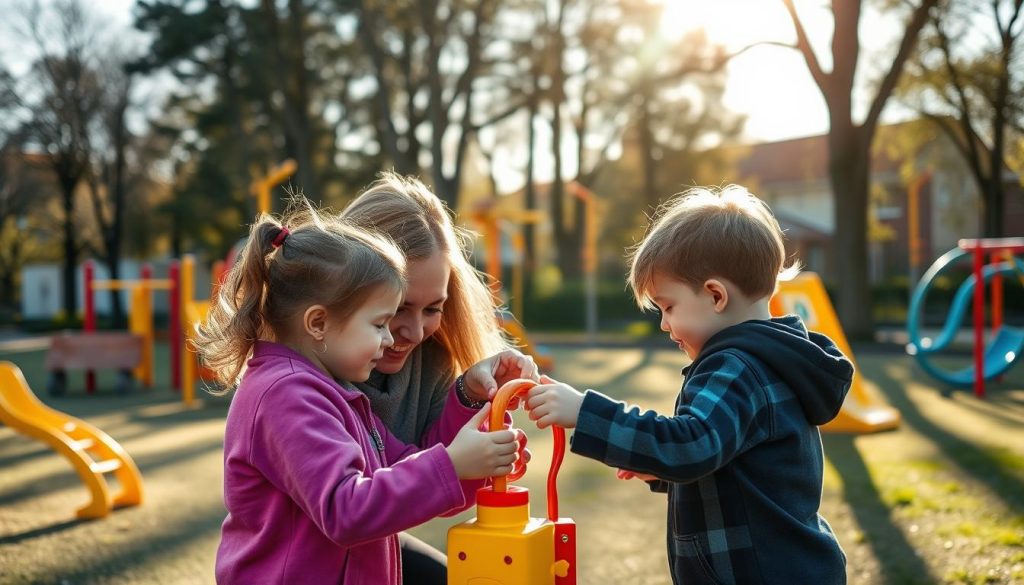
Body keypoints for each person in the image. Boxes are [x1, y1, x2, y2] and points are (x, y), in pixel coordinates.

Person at [524, 185, 852, 585]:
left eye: (668, 307)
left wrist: (584, 412)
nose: (663, 324)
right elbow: (729, 459)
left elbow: (690, 444)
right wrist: (658, 470)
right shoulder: (770, 359)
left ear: (715, 295)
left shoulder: (736, 367)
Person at [197, 201, 520, 585]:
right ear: (318, 322)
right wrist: (452, 465)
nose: (394, 338)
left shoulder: (336, 393)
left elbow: (405, 465)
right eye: (381, 323)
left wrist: (480, 465)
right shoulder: (287, 395)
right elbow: (345, 509)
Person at [341, 173, 538, 581]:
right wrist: (453, 463)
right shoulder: (310, 382)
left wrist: (470, 407)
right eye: (397, 308)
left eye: (433, 308)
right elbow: (354, 505)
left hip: (366, 551)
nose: (413, 332)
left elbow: (413, 470)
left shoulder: (431, 357)